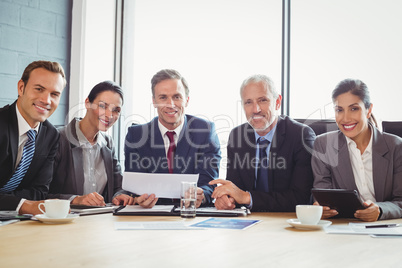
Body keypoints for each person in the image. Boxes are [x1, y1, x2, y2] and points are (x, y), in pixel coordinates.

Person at [209, 74, 315, 212]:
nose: (255, 109)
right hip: (248, 222)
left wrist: (247, 197)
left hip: (286, 222)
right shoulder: (237, 136)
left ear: (277, 102)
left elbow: (301, 198)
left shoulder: (301, 136)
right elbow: (235, 188)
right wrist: (227, 199)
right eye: (248, 102)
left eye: (263, 100)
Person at [124, 69, 221, 208]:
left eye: (177, 97)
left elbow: (208, 183)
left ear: (186, 100)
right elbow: (134, 185)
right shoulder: (136, 136)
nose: (171, 104)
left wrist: (201, 195)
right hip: (151, 215)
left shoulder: (205, 131)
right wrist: (139, 197)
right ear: (154, 101)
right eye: (163, 97)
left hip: (192, 214)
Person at [312, 78, 402, 221]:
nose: (345, 118)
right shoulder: (323, 144)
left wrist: (380, 210)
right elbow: (322, 193)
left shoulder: (396, 146)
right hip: (342, 226)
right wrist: (321, 208)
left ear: (368, 110)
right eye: (339, 110)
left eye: (354, 109)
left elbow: (400, 201)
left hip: (387, 227)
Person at [50, 81, 134, 206]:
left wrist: (119, 196)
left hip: (98, 220)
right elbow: (39, 193)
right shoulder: (58, 138)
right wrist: (75, 200)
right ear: (87, 103)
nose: (109, 115)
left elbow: (117, 187)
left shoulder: (108, 143)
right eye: (102, 106)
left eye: (116, 110)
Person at [0, 60, 67, 215]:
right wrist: (23, 205)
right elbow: (31, 201)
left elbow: (39, 191)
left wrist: (15, 204)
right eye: (39, 89)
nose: (46, 100)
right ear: (21, 88)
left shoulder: (51, 135)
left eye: (54, 94)